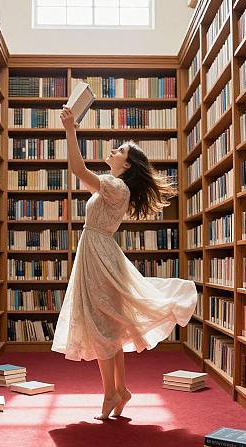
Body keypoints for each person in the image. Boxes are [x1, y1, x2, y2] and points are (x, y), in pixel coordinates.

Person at [52, 106, 197, 420]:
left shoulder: (117, 187)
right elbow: (84, 176)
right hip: (99, 253)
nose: (113, 151)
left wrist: (70, 130)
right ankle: (120, 390)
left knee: (102, 327)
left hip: (98, 255)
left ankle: (110, 394)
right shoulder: (115, 188)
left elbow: (78, 170)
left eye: (119, 150)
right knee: (111, 328)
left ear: (127, 163)